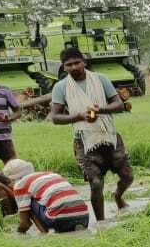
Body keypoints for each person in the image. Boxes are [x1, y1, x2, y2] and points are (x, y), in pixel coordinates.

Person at [49, 47, 133, 221]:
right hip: (84, 140)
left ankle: (117, 196)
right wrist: (79, 116)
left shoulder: (101, 79)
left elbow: (118, 105)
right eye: (69, 65)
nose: (73, 67)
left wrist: (99, 109)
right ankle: (101, 223)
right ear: (64, 67)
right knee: (95, 183)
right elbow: (55, 117)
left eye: (77, 63)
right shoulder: (61, 87)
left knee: (127, 176)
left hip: (109, 135)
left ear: (84, 62)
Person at [2, 158, 91, 234]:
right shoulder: (51, 174)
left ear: (12, 178)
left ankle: (45, 233)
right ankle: (74, 225)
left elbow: (24, 223)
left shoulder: (20, 184)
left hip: (59, 219)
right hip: (84, 216)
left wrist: (18, 233)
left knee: (28, 204)